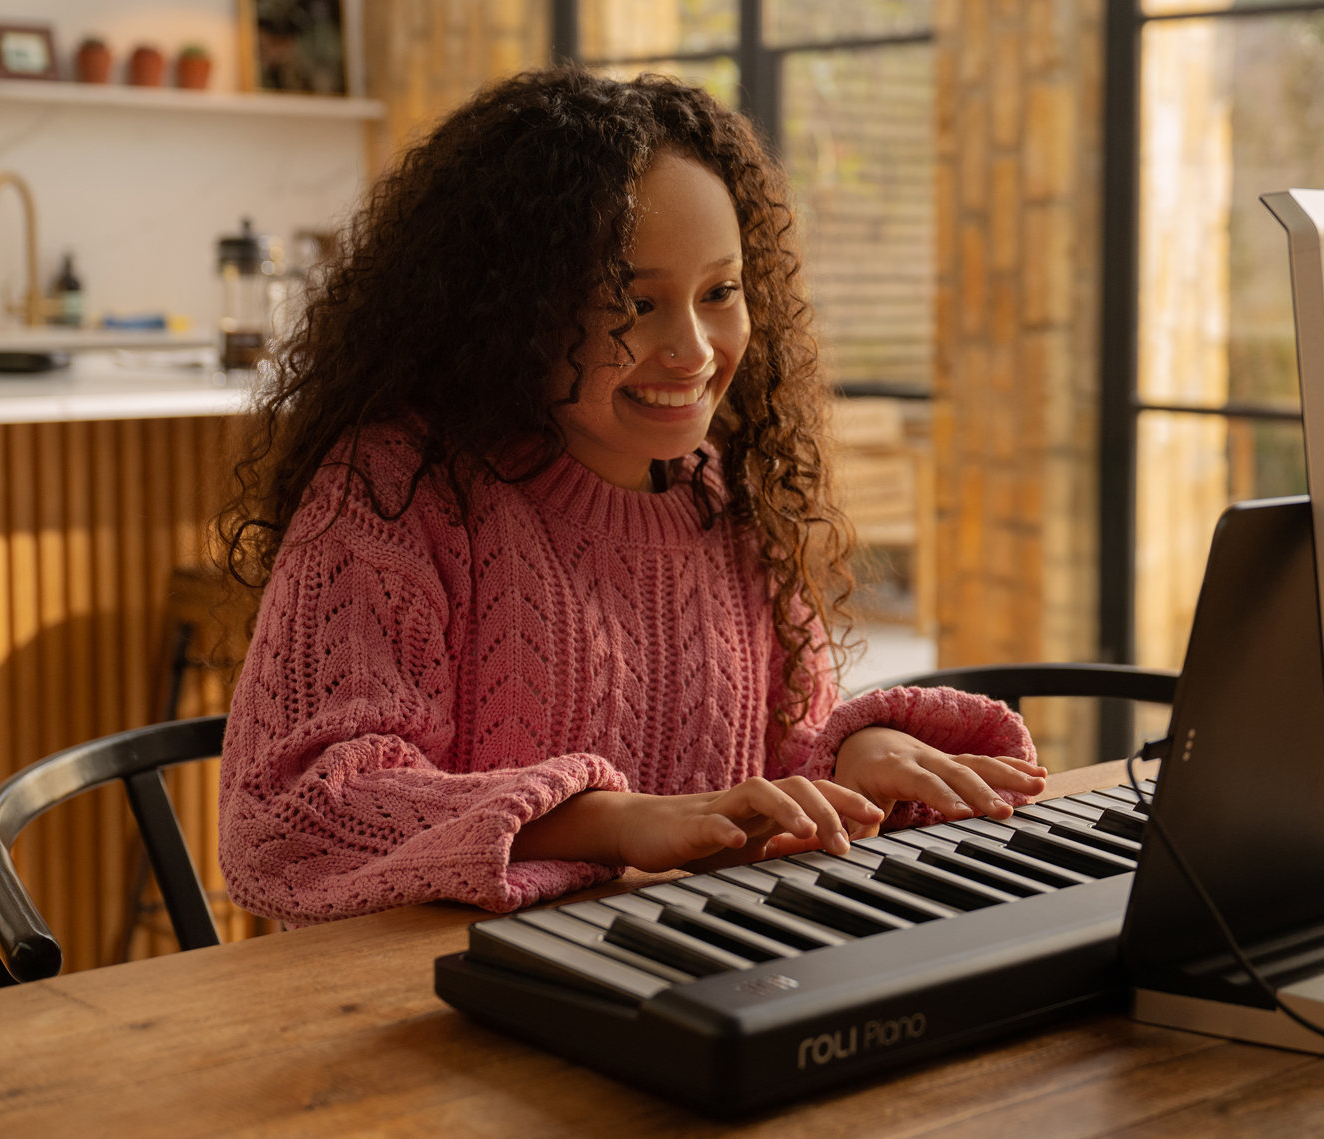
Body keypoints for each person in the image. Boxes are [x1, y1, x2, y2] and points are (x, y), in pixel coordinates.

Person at [215, 66, 1044, 926]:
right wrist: (616, 824)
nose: (692, 349)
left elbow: (777, 762)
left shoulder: (733, 500)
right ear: (513, 311)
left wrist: (852, 758)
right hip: (432, 1010)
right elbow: (292, 819)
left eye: (720, 292)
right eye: (635, 303)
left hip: (686, 989)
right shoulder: (394, 491)